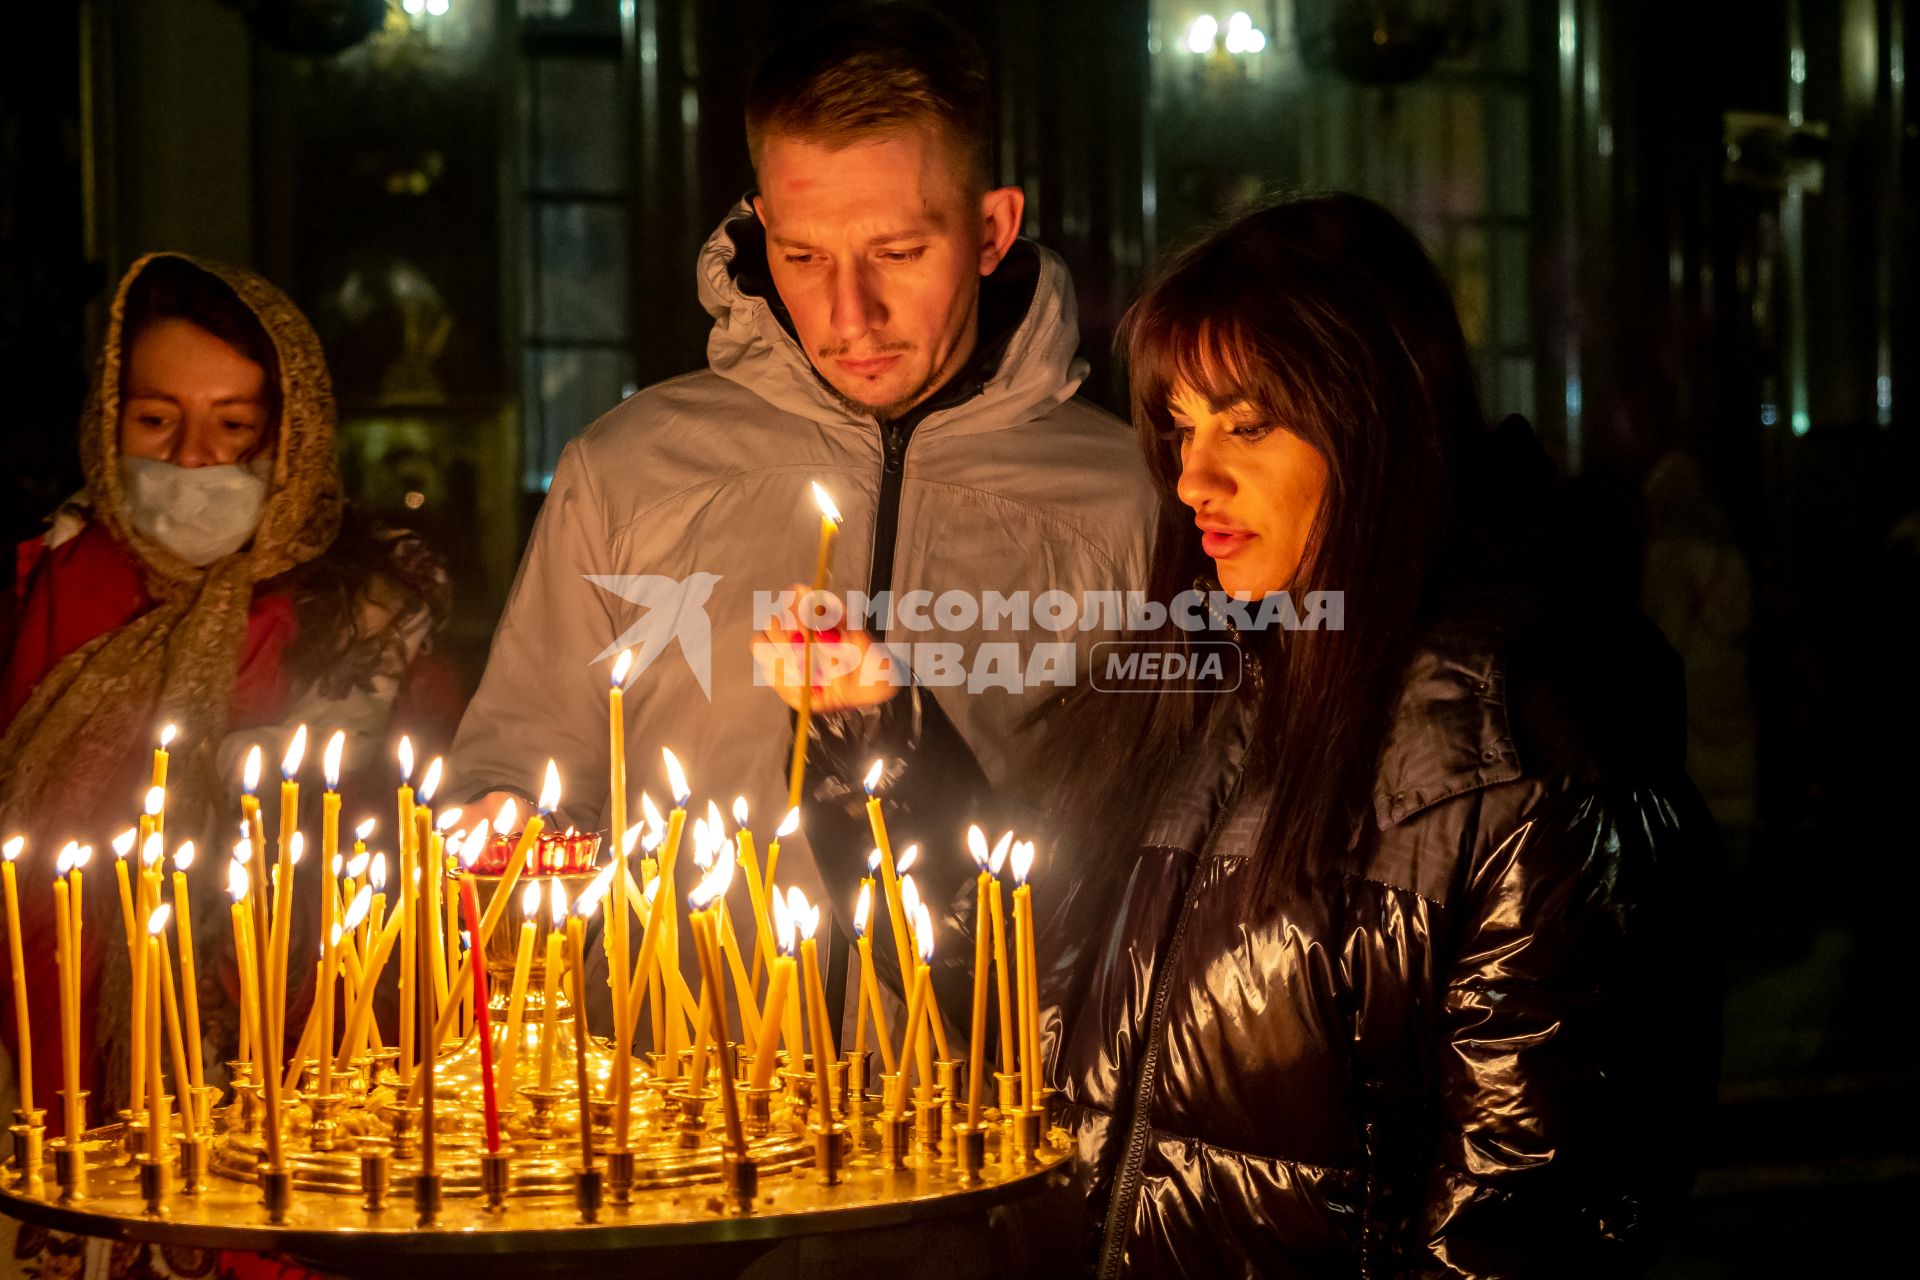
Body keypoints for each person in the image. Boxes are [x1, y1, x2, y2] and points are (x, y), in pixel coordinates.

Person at [780, 196, 1720, 1276]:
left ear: (1380, 414)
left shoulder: (1518, 753)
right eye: (1179, 425)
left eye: (1248, 423)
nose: (1191, 477)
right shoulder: (1207, 677)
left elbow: (1523, 1228)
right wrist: (871, 741)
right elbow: (1027, 1008)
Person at [448, 5, 1152, 931]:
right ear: (759, 226)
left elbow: (1160, 858)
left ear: (991, 231)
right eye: (803, 255)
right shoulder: (629, 471)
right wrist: (504, 829)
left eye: (898, 253)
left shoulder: (1126, 498)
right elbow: (525, 768)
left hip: (1000, 1067)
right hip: (685, 1066)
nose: (848, 313)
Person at [0, 253, 446, 1139]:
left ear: (292, 435)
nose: (193, 458)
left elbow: (396, 847)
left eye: (233, 425)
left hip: (286, 1069)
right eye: (156, 419)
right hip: (50, 1066)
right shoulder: (50, 582)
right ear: (106, 422)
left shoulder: (372, 608)